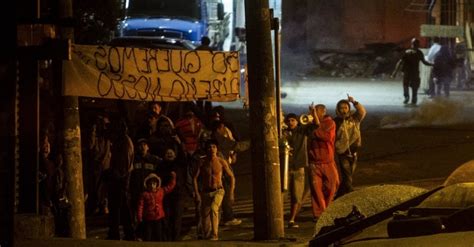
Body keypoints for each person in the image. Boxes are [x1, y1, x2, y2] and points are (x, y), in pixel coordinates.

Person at [193, 139, 236, 240]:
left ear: (217, 149)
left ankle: (215, 234)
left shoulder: (221, 161)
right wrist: (197, 193)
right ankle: (207, 236)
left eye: (214, 147)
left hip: (218, 190)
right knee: (205, 216)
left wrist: (231, 192)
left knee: (214, 209)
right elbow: (195, 178)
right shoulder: (202, 162)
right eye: (209, 147)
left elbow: (231, 176)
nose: (211, 149)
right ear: (206, 150)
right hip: (206, 192)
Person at [281, 109, 317, 228]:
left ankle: (291, 220)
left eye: (293, 120)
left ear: (297, 121)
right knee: (282, 194)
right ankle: (279, 219)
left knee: (297, 195)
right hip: (285, 168)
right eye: (289, 120)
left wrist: (313, 113)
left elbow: (316, 125)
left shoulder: (302, 131)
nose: (291, 122)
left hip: (299, 167)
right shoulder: (283, 132)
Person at [307, 104, 339, 222]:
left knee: (332, 186)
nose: (312, 114)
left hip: (327, 161)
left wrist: (315, 126)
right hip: (314, 162)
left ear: (323, 112)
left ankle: (327, 209)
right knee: (316, 190)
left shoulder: (330, 123)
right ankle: (319, 215)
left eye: (315, 111)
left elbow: (325, 136)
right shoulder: (310, 124)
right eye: (311, 111)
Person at [334, 95, 366, 197]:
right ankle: (352, 196)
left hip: (354, 153)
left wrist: (354, 102)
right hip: (342, 153)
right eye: (341, 108)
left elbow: (362, 112)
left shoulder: (355, 119)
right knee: (347, 178)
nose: (343, 110)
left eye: (345, 107)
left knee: (347, 178)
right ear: (338, 109)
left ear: (349, 108)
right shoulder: (335, 122)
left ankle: (338, 197)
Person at [391, 38, 433, 105]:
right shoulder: (419, 52)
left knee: (405, 85)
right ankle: (414, 98)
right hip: (415, 72)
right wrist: (432, 64)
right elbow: (424, 62)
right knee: (415, 86)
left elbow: (400, 62)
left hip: (407, 72)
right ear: (418, 44)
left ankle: (406, 97)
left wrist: (394, 72)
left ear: (411, 44)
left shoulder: (406, 52)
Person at [137, 172, 176, 241]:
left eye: (154, 184)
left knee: (159, 235)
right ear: (147, 184)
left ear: (157, 184)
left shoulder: (161, 191)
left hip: (158, 218)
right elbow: (140, 206)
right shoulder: (144, 194)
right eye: (150, 184)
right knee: (148, 236)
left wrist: (173, 178)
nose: (152, 186)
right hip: (148, 219)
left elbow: (170, 187)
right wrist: (139, 217)